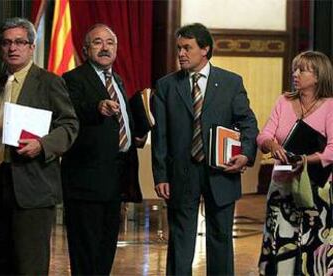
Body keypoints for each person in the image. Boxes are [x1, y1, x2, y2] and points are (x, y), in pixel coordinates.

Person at [151, 23, 258, 275]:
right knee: (180, 240)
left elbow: (248, 123)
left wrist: (245, 153)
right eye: (179, 48)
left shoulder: (231, 82)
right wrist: (161, 175)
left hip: (221, 171)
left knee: (220, 237)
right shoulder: (166, 86)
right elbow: (160, 135)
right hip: (182, 173)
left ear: (205, 49)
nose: (181, 54)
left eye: (187, 48)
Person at [0, 17, 78, 275]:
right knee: (4, 264)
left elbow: (69, 125)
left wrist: (42, 145)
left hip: (33, 186)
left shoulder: (48, 81)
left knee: (30, 267)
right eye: (6, 43)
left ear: (31, 46)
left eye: (19, 42)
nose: (12, 48)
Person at [61, 23, 145, 275]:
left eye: (110, 42)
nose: (105, 47)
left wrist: (134, 135)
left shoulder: (117, 79)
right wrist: (97, 108)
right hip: (85, 183)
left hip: (115, 180)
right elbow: (71, 114)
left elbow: (121, 122)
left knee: (106, 248)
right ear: (86, 49)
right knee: (86, 252)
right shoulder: (72, 79)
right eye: (98, 42)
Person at [257, 51, 333, 275]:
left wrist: (304, 161)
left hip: (316, 189)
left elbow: (332, 150)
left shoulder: (330, 106)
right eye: (295, 69)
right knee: (279, 249)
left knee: (314, 250)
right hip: (281, 187)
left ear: (318, 76)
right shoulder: (283, 101)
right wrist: (272, 145)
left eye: (302, 70)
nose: (295, 74)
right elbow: (264, 135)